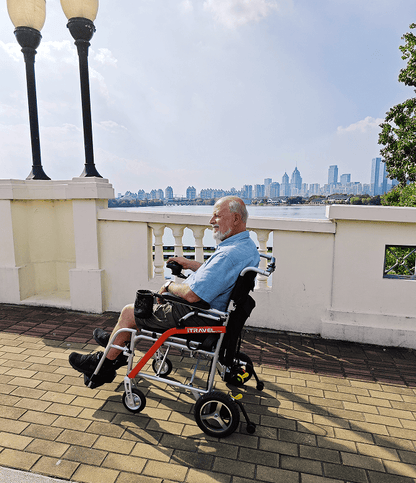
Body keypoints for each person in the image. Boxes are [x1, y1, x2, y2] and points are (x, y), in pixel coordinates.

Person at [69, 196, 260, 388]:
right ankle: (117, 341)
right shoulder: (246, 246)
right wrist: (192, 265)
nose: (211, 221)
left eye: (217, 216)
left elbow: (192, 295)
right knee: (141, 309)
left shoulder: (228, 254)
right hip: (212, 313)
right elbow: (219, 276)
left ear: (236, 218)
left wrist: (169, 286)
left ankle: (104, 364)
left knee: (130, 312)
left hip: (197, 315)